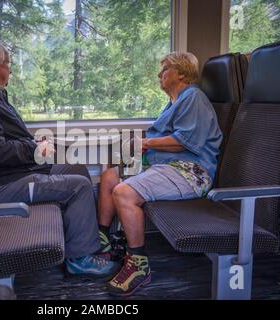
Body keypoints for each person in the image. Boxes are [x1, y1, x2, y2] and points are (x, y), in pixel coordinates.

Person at [0, 38, 118, 278]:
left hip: (17, 172)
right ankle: (79, 259)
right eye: (8, 63)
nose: (11, 69)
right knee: (79, 186)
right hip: (1, 185)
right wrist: (34, 150)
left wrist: (35, 146)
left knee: (77, 169)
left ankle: (81, 240)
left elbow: (5, 139)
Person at [97, 52, 223, 296]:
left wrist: (144, 144)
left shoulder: (194, 97)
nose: (159, 74)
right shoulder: (174, 103)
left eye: (165, 69)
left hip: (189, 171)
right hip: (165, 165)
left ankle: (138, 265)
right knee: (110, 172)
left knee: (124, 193)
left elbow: (184, 142)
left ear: (182, 73)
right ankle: (104, 242)